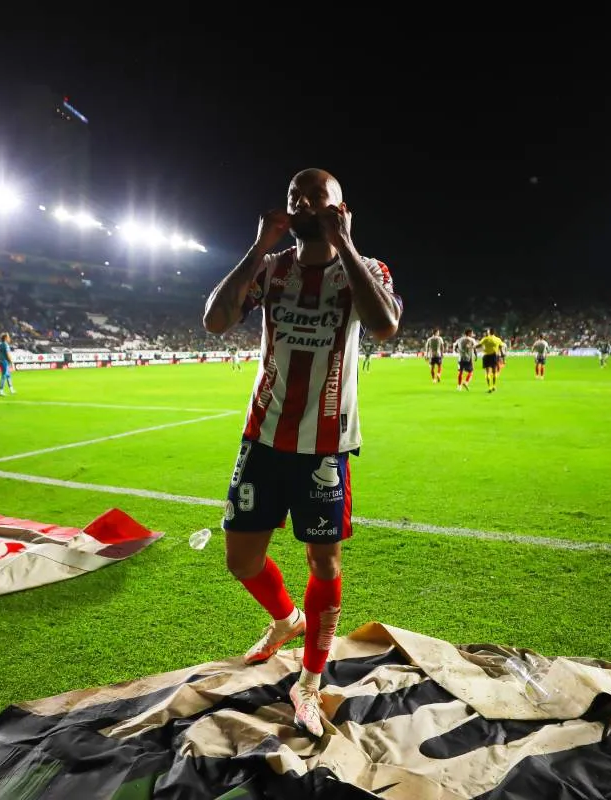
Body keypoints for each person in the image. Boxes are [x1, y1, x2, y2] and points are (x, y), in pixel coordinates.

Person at [201, 168, 402, 738]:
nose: (305, 202)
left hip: (324, 447)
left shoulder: (366, 270)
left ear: (340, 208)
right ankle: (285, 619)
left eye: (318, 196)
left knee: (324, 563)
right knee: (241, 561)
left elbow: (385, 325)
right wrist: (258, 245)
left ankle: (309, 682)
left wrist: (347, 245)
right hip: (262, 439)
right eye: (297, 196)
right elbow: (215, 320)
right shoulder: (272, 270)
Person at [477, 328, 505, 392]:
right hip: (495, 356)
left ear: (489, 332)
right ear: (494, 332)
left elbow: (479, 345)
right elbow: (500, 347)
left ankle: (489, 387)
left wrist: (473, 347)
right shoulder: (498, 339)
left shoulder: (486, 339)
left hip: (487, 356)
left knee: (487, 372)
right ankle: (494, 386)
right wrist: (502, 354)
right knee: (494, 372)